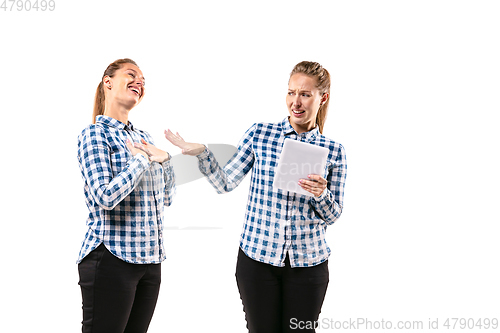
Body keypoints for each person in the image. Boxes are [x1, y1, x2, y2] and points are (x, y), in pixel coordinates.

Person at [165, 61, 347, 332]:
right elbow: (225, 184)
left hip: (308, 265)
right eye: (291, 92)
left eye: (305, 94)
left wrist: (321, 194)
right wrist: (203, 152)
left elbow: (333, 215)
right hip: (257, 261)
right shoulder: (260, 134)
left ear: (323, 98)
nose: (295, 102)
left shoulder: (333, 150)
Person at [76, 58, 175, 333]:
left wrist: (166, 159)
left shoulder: (144, 137)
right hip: (110, 258)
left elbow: (166, 198)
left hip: (149, 261)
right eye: (131, 75)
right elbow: (104, 197)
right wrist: (142, 161)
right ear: (108, 82)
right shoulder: (95, 135)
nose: (139, 82)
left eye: (143, 81)